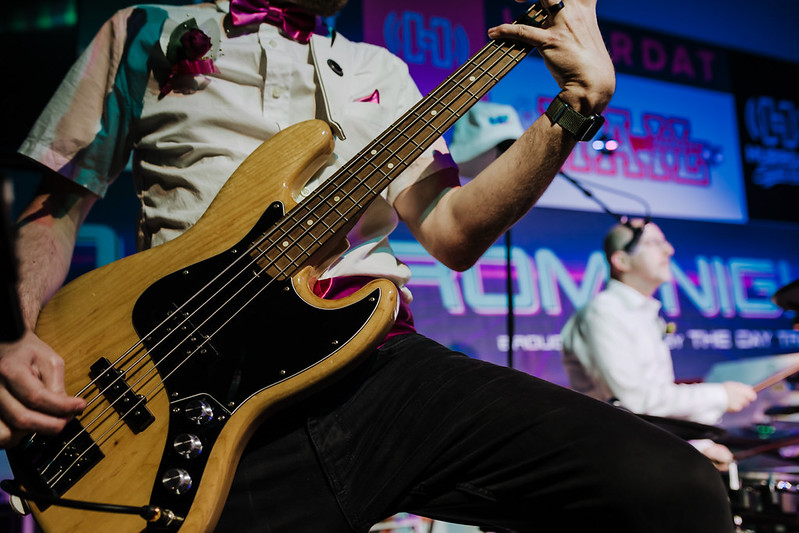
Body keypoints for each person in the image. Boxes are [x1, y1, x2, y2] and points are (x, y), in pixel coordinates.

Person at [0, 0, 736, 531]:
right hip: (179, 386)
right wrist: (16, 333)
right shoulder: (145, 28)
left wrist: (573, 106)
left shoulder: (377, 68)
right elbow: (54, 207)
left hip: (375, 370)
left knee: (673, 489)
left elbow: (450, 233)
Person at [561, 219, 757, 471]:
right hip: (619, 464)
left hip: (645, 453)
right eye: (654, 243)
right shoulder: (603, 312)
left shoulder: (642, 313)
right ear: (621, 261)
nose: (669, 250)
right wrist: (719, 394)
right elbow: (636, 403)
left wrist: (698, 444)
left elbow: (653, 413)